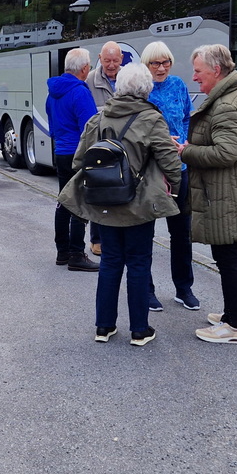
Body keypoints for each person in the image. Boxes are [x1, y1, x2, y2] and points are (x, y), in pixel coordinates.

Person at [59, 63, 182, 346]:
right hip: (139, 204)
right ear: (146, 89)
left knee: (110, 262)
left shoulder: (99, 118)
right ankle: (139, 330)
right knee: (138, 263)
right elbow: (170, 163)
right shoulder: (151, 119)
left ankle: (104, 327)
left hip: (104, 202)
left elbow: (79, 160)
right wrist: (173, 187)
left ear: (119, 87)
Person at [181, 44, 237, 345]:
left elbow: (226, 153)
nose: (194, 77)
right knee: (233, 255)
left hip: (226, 195)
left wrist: (186, 151)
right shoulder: (232, 96)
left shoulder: (225, 105)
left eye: (198, 71)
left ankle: (233, 326)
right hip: (233, 192)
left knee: (227, 257)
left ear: (216, 71)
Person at [142, 41, 200, 312]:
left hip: (180, 169)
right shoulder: (142, 90)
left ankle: (184, 288)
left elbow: (187, 117)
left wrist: (185, 141)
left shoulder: (178, 85)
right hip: (151, 172)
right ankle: (146, 290)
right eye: (155, 63)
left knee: (181, 232)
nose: (161, 68)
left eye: (166, 62)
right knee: (145, 232)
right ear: (146, 65)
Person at [46, 47, 99, 271]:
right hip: (78, 153)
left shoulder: (52, 92)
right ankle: (77, 253)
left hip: (61, 151)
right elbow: (90, 128)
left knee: (63, 201)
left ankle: (62, 251)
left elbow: (52, 126)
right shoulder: (80, 92)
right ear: (85, 68)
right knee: (79, 203)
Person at [86, 41, 125, 254]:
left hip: (124, 148)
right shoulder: (90, 80)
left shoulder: (128, 78)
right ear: (100, 58)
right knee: (99, 194)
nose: (111, 65)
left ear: (122, 59)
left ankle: (119, 239)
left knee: (121, 193)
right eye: (107, 60)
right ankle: (97, 240)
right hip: (99, 148)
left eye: (115, 60)